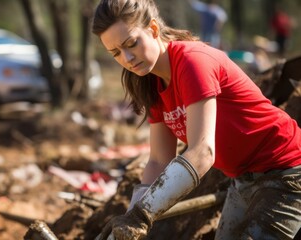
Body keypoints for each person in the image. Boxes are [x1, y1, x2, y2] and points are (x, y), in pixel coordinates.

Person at [91, 0, 301, 239]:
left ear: (153, 29)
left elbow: (202, 152)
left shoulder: (192, 62)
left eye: (131, 43)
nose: (127, 58)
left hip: (287, 172)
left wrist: (144, 213)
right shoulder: (151, 83)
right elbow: (159, 161)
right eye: (116, 53)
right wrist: (130, 219)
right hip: (242, 181)